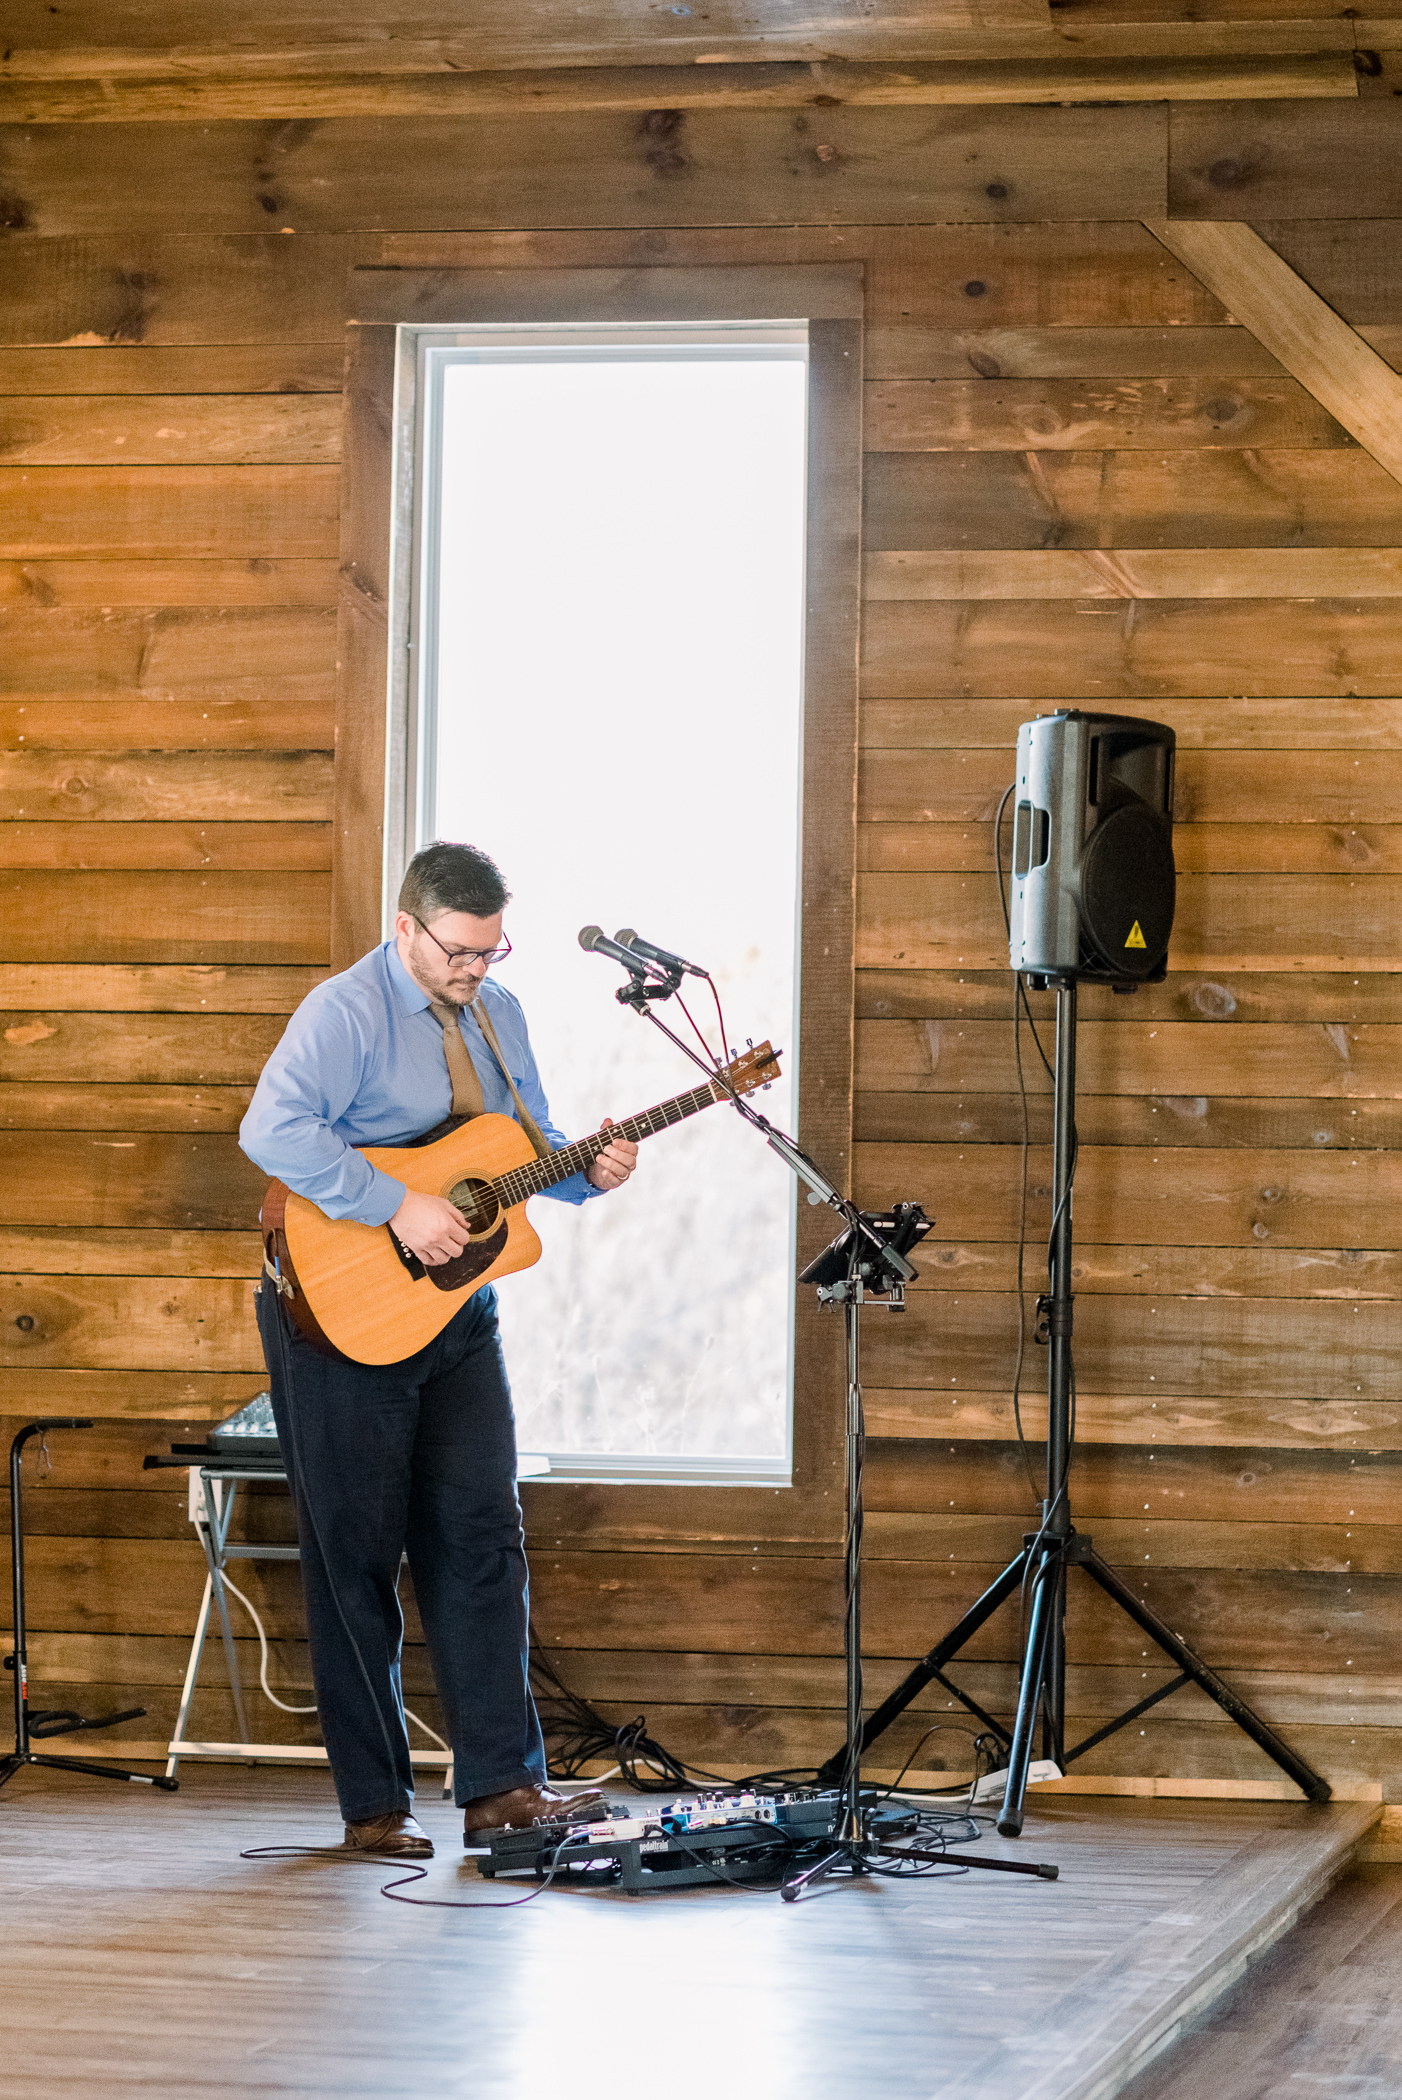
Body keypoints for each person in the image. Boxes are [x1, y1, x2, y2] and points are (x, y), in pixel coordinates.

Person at [239, 840, 638, 1858]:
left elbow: (521, 1148)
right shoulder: (345, 1012)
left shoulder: (499, 1015)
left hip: (459, 1319)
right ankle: (374, 1809)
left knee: (481, 1544)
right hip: (337, 1312)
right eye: (460, 951)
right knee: (356, 1564)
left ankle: (502, 1790)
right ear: (407, 929)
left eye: (492, 952)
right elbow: (272, 1130)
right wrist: (394, 1204)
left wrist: (591, 1171)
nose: (475, 970)